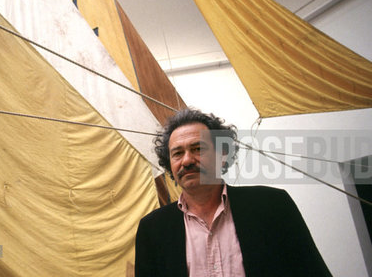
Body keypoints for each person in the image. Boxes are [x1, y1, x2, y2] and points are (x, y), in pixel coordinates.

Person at [135, 108, 331, 277]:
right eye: (177, 153)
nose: (186, 160)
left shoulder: (272, 205)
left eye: (198, 148)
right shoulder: (152, 229)